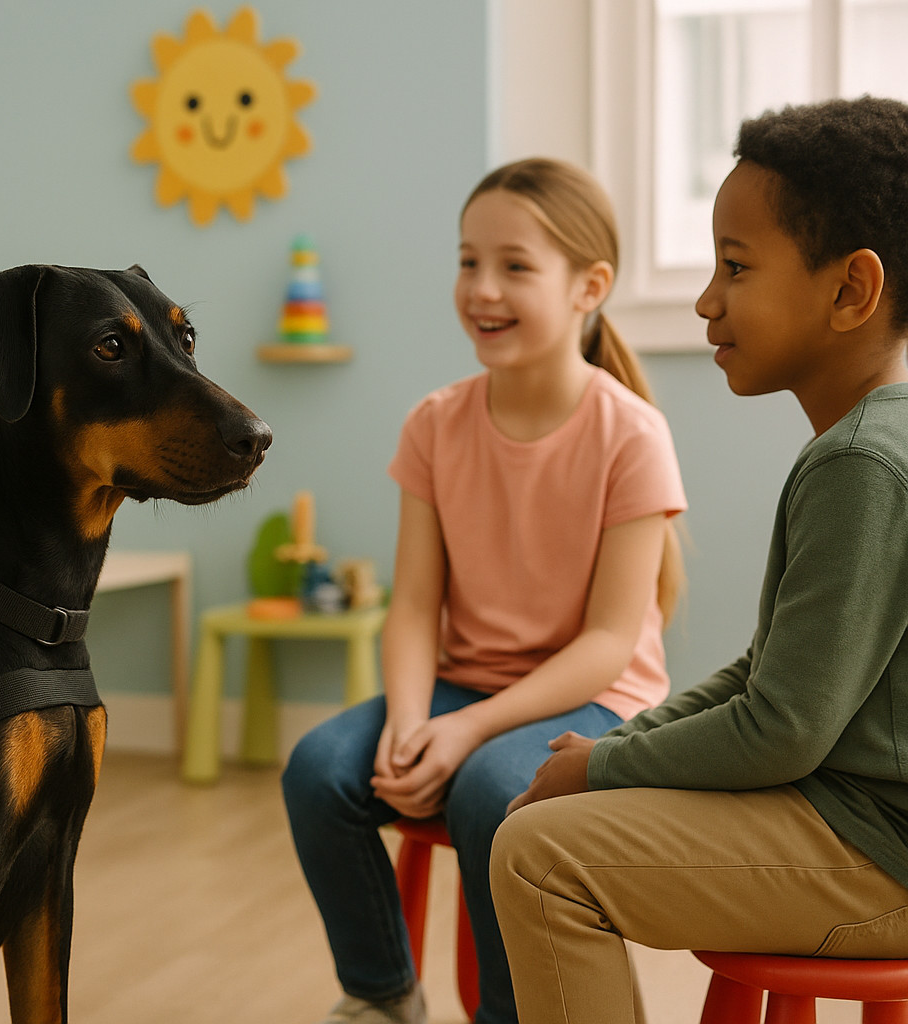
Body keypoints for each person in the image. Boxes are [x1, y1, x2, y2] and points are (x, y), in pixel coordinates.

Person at [490, 96, 908, 1024]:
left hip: (880, 851)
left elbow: (781, 731)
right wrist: (616, 749)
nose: (706, 300)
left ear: (851, 291)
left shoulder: (861, 462)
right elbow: (769, 677)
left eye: (736, 267)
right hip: (861, 822)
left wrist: (596, 771)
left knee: (538, 857)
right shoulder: (873, 443)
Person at [281, 157, 688, 1024]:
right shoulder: (435, 423)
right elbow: (416, 605)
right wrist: (405, 719)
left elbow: (611, 644)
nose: (482, 288)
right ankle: (384, 994)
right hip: (464, 678)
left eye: (514, 266)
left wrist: (461, 728)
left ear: (591, 287)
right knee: (318, 771)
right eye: (469, 261)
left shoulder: (631, 435)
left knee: (489, 790)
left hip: (595, 697)